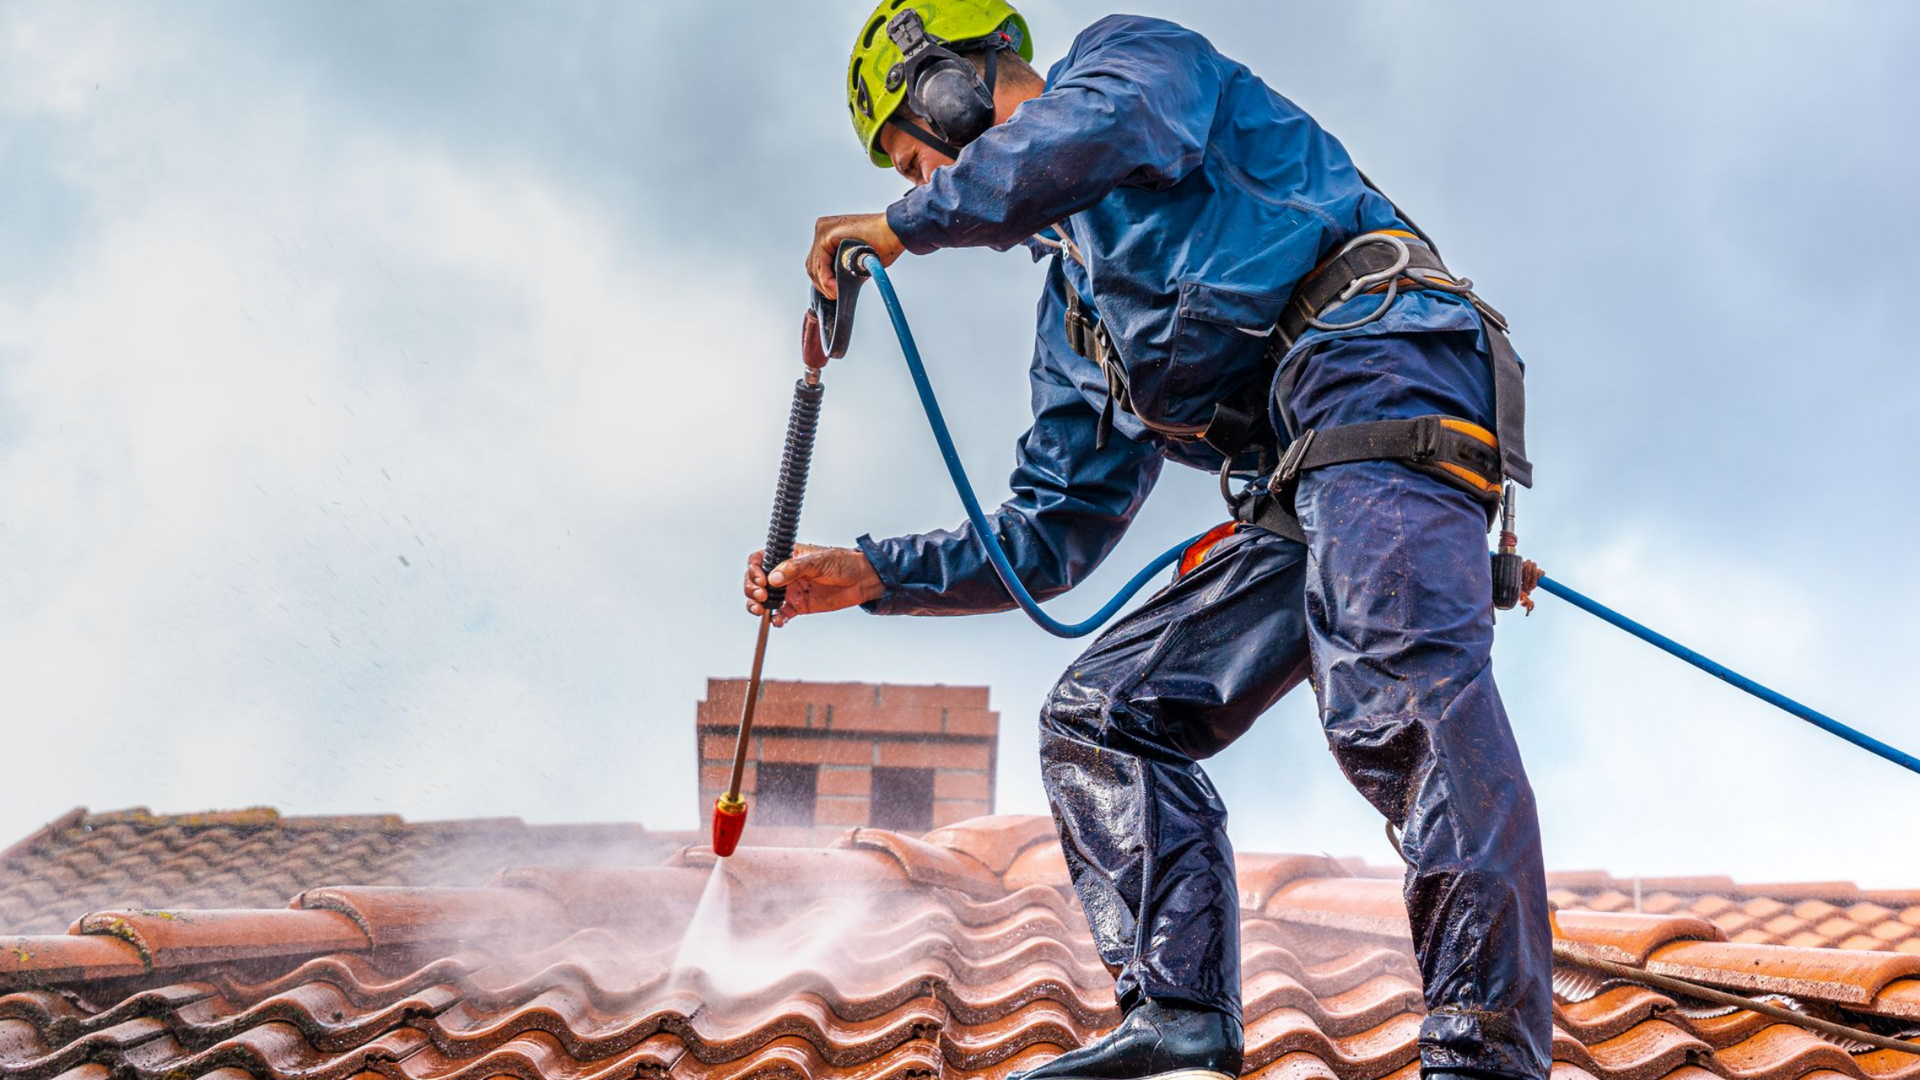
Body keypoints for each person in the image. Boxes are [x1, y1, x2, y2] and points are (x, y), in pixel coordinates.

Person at [742, 4, 1552, 1079]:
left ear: (946, 84)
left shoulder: (1132, 65)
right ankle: (1180, 1020)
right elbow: (1051, 532)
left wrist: (912, 222)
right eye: (902, 170)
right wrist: (872, 574)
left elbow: (1102, 130)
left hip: (1381, 363)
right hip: (1298, 473)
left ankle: (1483, 1051)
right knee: (1102, 716)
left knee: (1393, 692)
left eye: (911, 148)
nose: (915, 176)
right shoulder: (1076, 310)